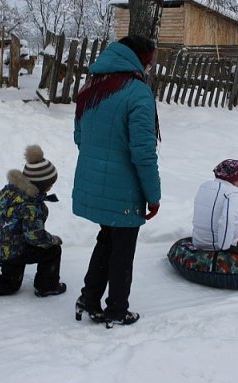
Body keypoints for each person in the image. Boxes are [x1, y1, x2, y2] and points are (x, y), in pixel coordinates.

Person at [72, 35, 161, 328]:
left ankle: (89, 298)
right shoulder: (137, 92)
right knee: (122, 250)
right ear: (140, 58)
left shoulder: (92, 86)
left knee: (107, 240)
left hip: (96, 183)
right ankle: (116, 310)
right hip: (124, 189)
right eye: (150, 59)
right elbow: (144, 153)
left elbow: (80, 138)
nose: (150, 65)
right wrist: (153, 194)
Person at [0, 145, 66, 308]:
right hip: (17, 250)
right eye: (49, 184)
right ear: (41, 185)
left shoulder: (13, 193)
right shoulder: (30, 207)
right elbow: (35, 237)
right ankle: (47, 286)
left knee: (10, 284)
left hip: (4, 247)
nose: (51, 188)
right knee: (53, 250)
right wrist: (53, 240)